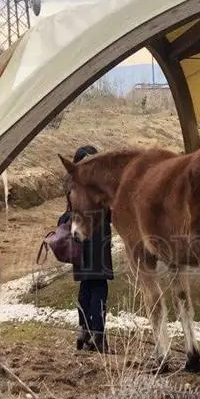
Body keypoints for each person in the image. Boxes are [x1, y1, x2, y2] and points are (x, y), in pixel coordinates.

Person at [62, 145, 114, 353]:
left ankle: (84, 329)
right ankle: (98, 335)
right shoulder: (99, 188)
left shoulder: (74, 187)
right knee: (99, 288)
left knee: (86, 286)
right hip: (98, 244)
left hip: (80, 245)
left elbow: (66, 216)